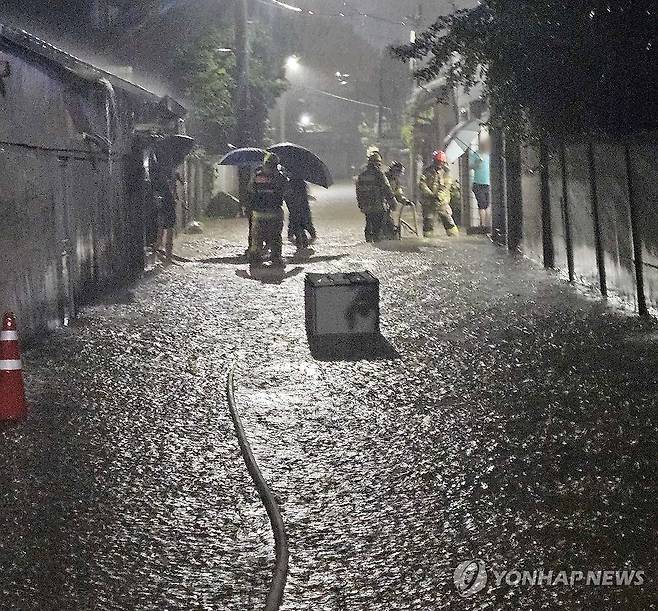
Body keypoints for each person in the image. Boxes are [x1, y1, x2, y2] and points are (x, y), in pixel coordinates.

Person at [247, 152, 288, 267]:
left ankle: (255, 259)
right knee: (275, 238)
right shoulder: (280, 178)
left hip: (258, 214)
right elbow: (288, 192)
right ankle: (276, 258)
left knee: (257, 239)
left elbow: (250, 190)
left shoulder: (257, 176)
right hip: (275, 214)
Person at [355, 150, 397, 242]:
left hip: (366, 206)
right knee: (378, 228)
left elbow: (358, 191)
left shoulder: (362, 175)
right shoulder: (379, 175)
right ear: (378, 164)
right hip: (378, 206)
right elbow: (387, 189)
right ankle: (377, 242)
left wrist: (360, 204)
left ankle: (369, 241)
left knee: (369, 223)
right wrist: (393, 202)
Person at [419, 150, 459, 237]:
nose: (439, 164)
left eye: (441, 162)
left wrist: (438, 197)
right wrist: (430, 194)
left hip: (442, 203)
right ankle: (428, 241)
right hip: (429, 203)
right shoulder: (427, 171)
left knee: (449, 222)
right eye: (437, 162)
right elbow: (422, 183)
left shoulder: (447, 172)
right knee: (428, 223)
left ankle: (454, 237)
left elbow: (446, 187)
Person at [151, 157, 177, 265]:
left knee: (162, 231)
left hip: (166, 206)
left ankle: (164, 254)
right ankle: (166, 255)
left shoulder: (160, 178)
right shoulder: (164, 178)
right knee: (164, 231)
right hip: (166, 206)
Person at [385, 161, 413, 239]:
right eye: (398, 173)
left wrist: (404, 200)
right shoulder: (384, 179)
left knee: (390, 224)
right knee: (387, 224)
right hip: (382, 206)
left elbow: (398, 193)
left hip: (388, 207)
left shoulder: (396, 181)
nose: (399, 175)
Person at [286, 178, 316, 249]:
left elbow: (287, 197)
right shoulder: (302, 183)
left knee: (298, 225)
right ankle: (304, 241)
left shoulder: (289, 184)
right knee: (303, 225)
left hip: (296, 209)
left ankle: (301, 243)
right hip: (301, 209)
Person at [469, 137, 491, 227]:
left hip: (488, 184)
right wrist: (477, 163)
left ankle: (488, 225)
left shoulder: (490, 155)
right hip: (478, 184)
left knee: (487, 205)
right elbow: (470, 166)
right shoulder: (475, 154)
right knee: (482, 205)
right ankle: (483, 225)